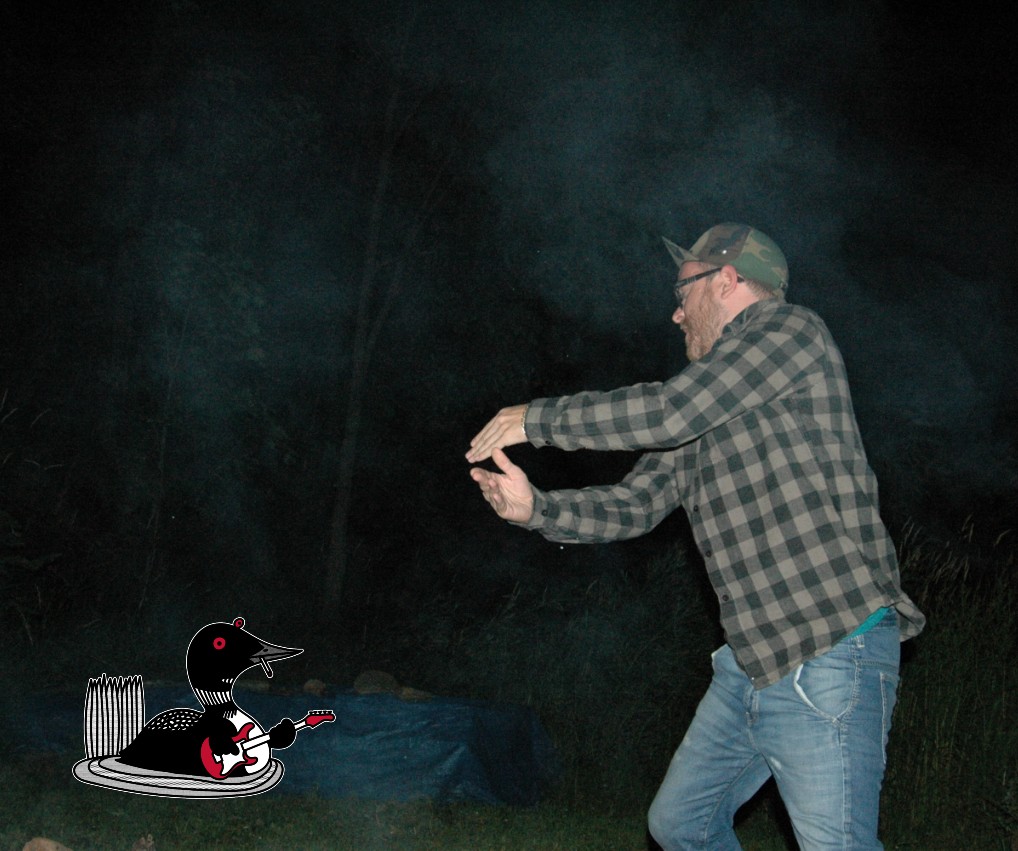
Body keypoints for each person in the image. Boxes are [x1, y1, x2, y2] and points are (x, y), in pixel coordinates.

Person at [465, 222, 924, 850]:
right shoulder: (710, 402)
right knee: (681, 826)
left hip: (827, 646)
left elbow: (672, 409)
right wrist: (537, 510)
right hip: (750, 665)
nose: (676, 312)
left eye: (685, 291)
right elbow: (636, 504)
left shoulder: (791, 333)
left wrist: (537, 418)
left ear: (730, 280)